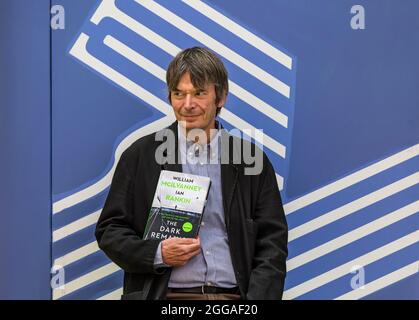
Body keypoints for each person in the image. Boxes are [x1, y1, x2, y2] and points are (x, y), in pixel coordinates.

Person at [95, 47, 288, 300]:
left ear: (221, 97)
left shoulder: (251, 160)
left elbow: (272, 243)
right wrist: (158, 253)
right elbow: (110, 231)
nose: (188, 105)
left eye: (199, 93)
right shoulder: (140, 156)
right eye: (179, 94)